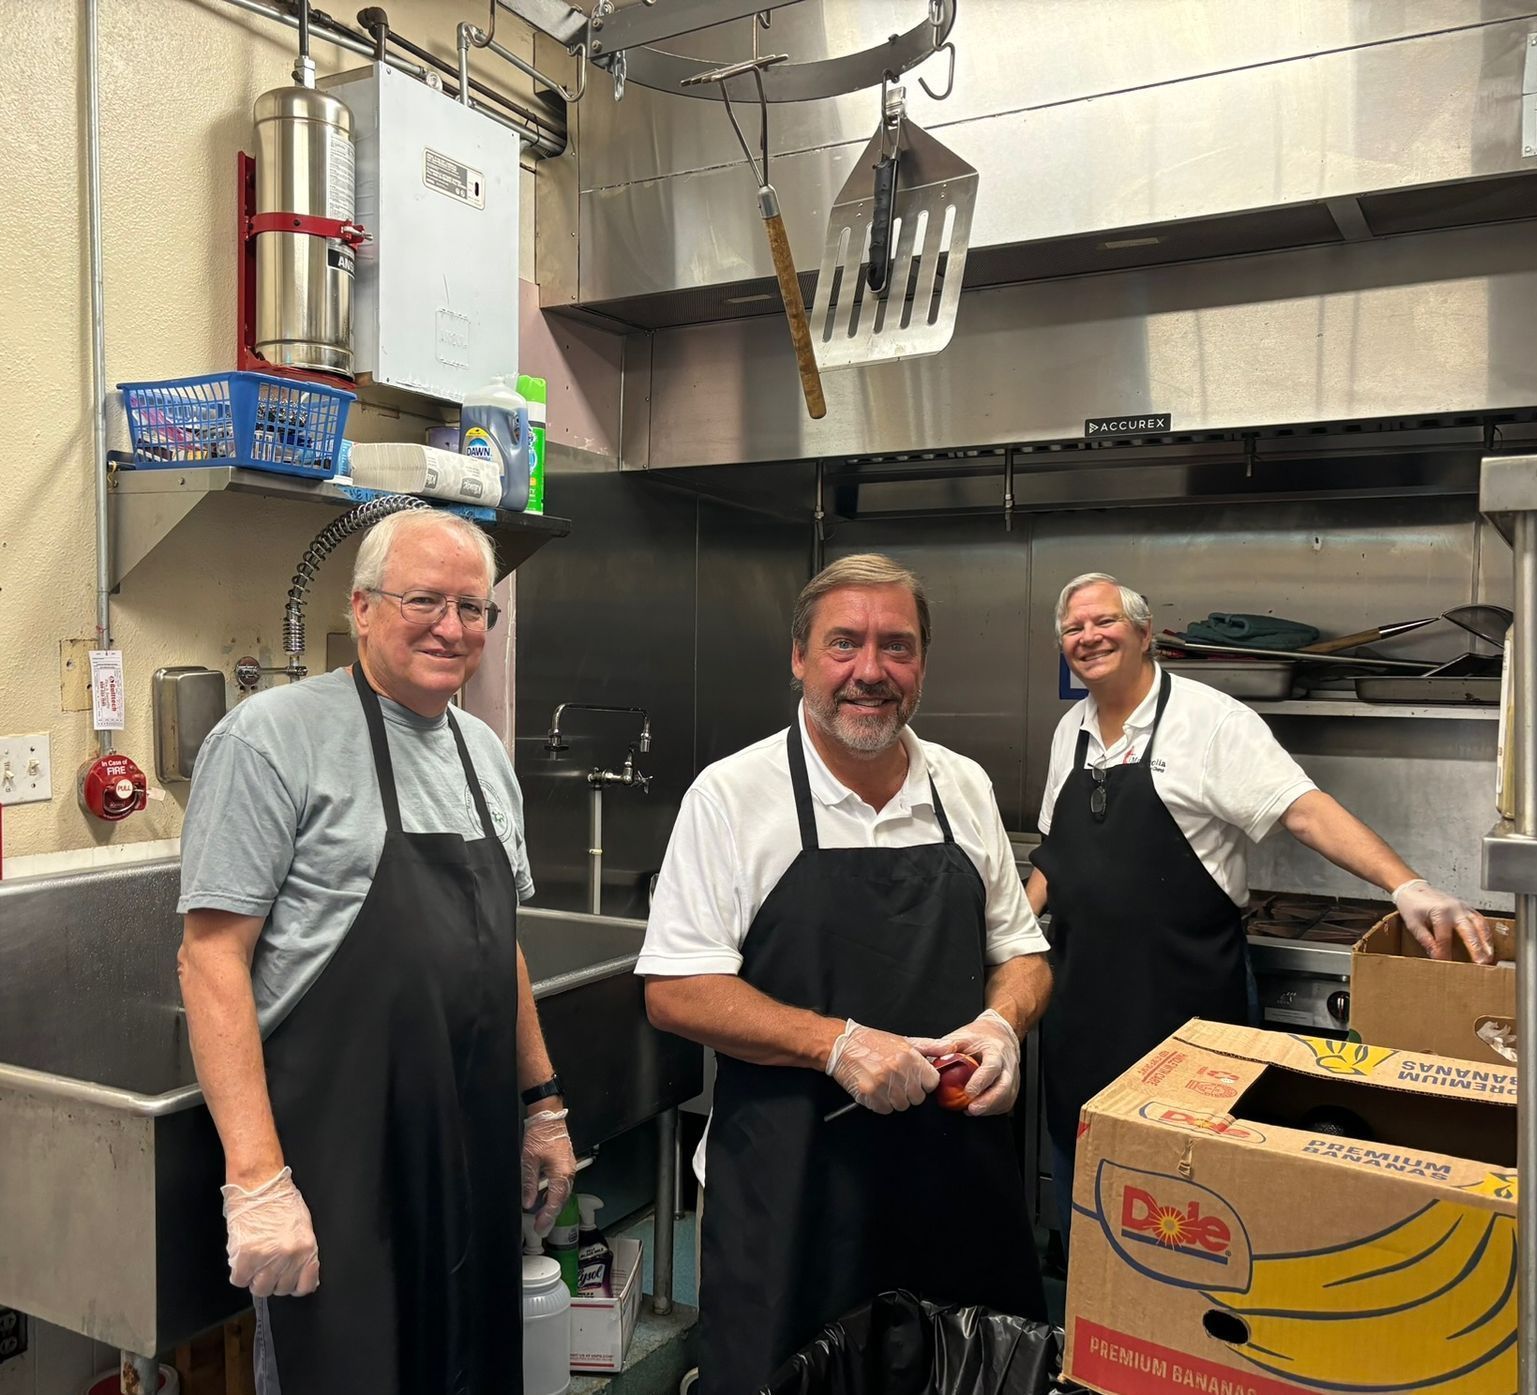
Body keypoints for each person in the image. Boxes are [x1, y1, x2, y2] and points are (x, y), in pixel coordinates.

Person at [177, 509, 577, 1395]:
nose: (452, 626)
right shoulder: (270, 737)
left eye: (473, 607)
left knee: (468, 1366)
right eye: (424, 600)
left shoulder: (481, 751)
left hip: (468, 1143)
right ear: (361, 609)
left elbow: (497, 941)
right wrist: (256, 1182)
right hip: (340, 1159)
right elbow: (209, 958)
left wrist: (541, 1102)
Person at [640, 553, 1052, 1395]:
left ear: (922, 664)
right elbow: (676, 988)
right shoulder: (731, 795)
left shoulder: (962, 787)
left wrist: (1001, 1023)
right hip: (794, 1194)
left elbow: (1023, 953)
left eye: (896, 647)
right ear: (799, 658)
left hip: (954, 1182)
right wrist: (837, 1044)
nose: (871, 671)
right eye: (844, 645)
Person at [1030, 571, 1495, 1250]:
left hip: (1182, 1010)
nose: (1087, 636)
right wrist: (1002, 933)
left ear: (1142, 631)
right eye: (1072, 628)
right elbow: (1054, 854)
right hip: (1080, 1007)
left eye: (1102, 621)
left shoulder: (1210, 721)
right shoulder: (1068, 729)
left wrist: (1405, 884)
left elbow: (1302, 811)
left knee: (1186, 1210)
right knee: (1091, 1201)